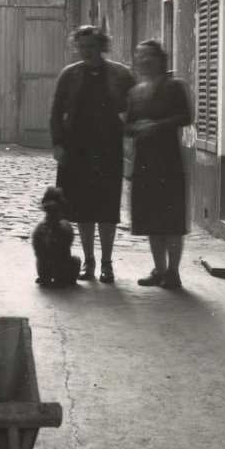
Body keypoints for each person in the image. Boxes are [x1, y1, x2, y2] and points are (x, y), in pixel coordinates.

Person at [49, 25, 135, 283]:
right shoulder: (70, 75)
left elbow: (137, 101)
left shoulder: (120, 73)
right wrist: (58, 144)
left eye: (92, 46)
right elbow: (56, 112)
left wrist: (130, 125)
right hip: (77, 149)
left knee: (107, 208)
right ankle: (89, 262)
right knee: (82, 208)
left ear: (102, 46)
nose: (86, 51)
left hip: (108, 148)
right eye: (82, 47)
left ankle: (107, 264)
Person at [125, 39, 192, 288]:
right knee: (151, 218)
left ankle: (173, 272)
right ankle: (159, 269)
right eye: (139, 56)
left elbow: (185, 116)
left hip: (169, 161)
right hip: (144, 162)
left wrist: (156, 125)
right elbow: (128, 125)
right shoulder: (135, 92)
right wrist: (136, 129)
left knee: (171, 220)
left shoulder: (174, 86)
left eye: (148, 56)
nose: (143, 60)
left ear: (160, 58)